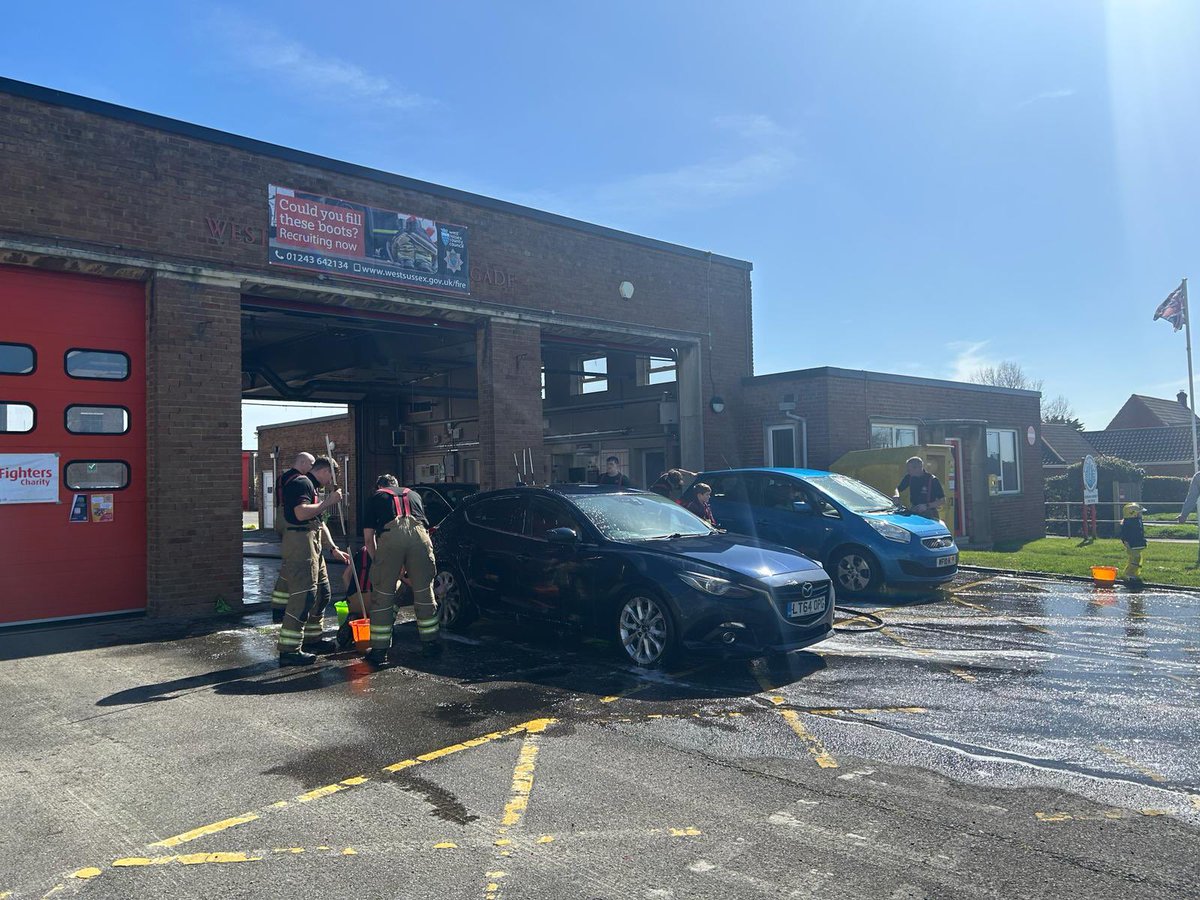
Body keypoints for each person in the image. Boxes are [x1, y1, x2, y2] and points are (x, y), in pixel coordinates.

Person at [362, 474, 440, 666]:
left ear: (379, 486)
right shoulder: (414, 495)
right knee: (424, 592)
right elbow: (421, 528)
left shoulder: (376, 497)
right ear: (397, 485)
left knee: (383, 595)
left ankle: (379, 651)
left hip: (391, 539)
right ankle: (430, 645)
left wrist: (379, 562)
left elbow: (368, 539)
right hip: (420, 538)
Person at [277, 456, 344, 665]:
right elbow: (300, 513)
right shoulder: (302, 483)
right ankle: (289, 650)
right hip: (300, 545)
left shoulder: (312, 487)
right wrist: (328, 502)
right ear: (324, 471)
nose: (330, 483)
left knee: (323, 593)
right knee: (303, 596)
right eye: (330, 477)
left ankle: (312, 639)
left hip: (313, 544)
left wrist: (333, 548)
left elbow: (319, 523)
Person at [270, 452, 314, 622]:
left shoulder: (282, 478)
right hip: (290, 521)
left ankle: (278, 607)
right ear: (302, 462)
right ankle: (291, 609)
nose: (311, 468)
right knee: (294, 566)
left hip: (280, 517)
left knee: (287, 565)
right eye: (310, 464)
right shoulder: (299, 480)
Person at [1119, 502, 1147, 583]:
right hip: (1132, 544)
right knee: (1135, 559)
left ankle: (1133, 573)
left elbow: (1140, 533)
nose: (1141, 514)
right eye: (1139, 513)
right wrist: (1127, 543)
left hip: (1136, 544)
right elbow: (1126, 535)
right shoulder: (1130, 523)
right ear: (1133, 514)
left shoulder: (1136, 521)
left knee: (1136, 558)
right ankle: (1129, 574)